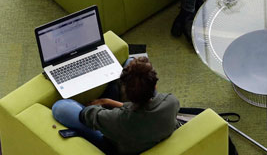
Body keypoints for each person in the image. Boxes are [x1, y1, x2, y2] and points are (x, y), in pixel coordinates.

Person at [52, 56, 180, 154]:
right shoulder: (171, 101)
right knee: (130, 60)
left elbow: (87, 115)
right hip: (145, 133)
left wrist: (99, 105)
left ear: (126, 92)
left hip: (118, 147)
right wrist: (107, 101)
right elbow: (140, 112)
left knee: (61, 108)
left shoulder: (118, 120)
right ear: (155, 85)